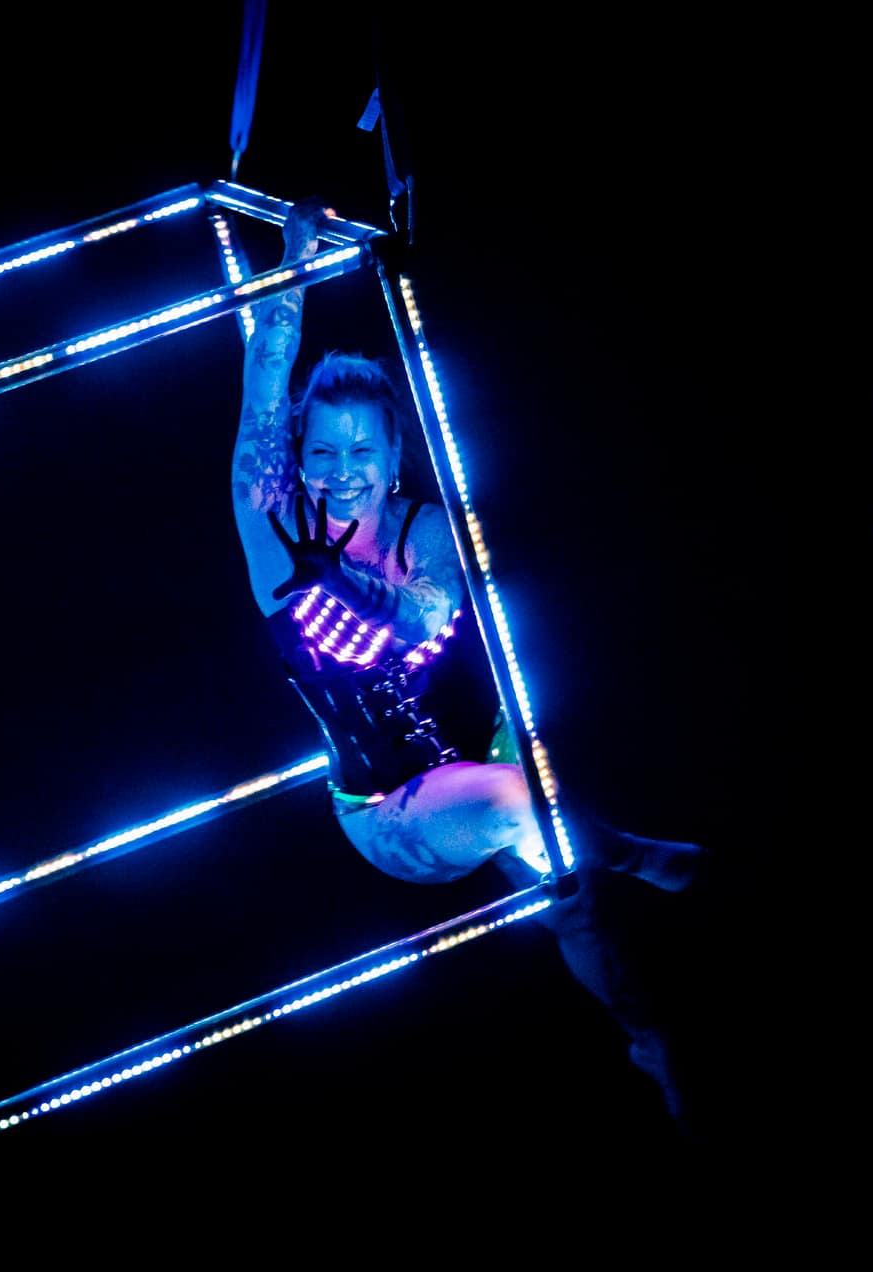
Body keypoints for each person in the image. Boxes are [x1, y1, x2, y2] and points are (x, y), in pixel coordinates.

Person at [231, 195, 710, 1131]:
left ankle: (652, 1042)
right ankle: (640, 855)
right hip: (388, 806)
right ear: (298, 452)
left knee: (569, 898)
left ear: (393, 456)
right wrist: (294, 259)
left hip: (480, 737)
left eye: (362, 450)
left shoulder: (425, 528)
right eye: (322, 449)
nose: (341, 470)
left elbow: (429, 609)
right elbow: (263, 375)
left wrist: (359, 586)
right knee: (518, 804)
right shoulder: (269, 523)